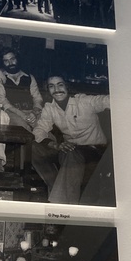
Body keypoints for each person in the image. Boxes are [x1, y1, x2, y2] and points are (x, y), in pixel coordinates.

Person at [32, 74, 110, 203]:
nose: (56, 90)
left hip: (94, 150)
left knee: (71, 153)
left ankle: (61, 202)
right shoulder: (50, 108)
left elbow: (105, 100)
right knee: (35, 147)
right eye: (51, 86)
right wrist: (55, 145)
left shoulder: (84, 101)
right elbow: (39, 130)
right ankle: (57, 188)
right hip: (70, 150)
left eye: (60, 85)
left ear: (67, 86)